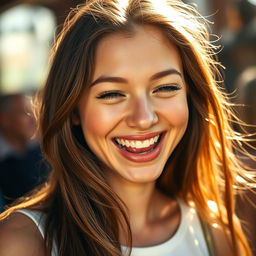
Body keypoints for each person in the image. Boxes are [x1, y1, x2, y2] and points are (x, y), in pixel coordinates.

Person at [0, 0, 254, 255]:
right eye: (112, 94)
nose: (143, 119)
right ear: (74, 109)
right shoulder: (23, 242)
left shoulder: (214, 230)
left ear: (190, 96)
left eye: (165, 88)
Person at [0, 93, 49, 206]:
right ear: (5, 119)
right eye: (25, 113)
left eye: (34, 112)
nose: (34, 120)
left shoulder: (42, 150)